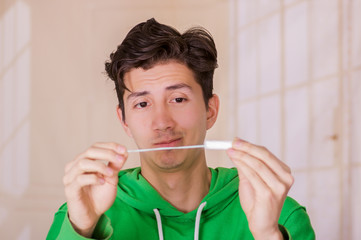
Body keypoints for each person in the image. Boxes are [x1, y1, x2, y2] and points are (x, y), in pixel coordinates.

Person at [47, 18, 315, 240]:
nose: (162, 122)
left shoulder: (279, 214)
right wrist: (82, 229)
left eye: (178, 99)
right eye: (142, 103)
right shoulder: (80, 215)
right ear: (124, 121)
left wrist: (267, 234)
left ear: (210, 110)